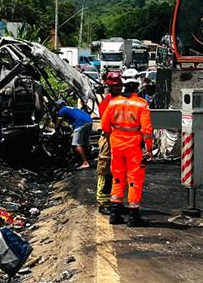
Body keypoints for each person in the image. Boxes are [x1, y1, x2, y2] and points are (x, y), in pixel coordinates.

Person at [102, 70, 153, 227]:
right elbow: (147, 130)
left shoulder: (113, 102)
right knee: (134, 180)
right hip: (134, 148)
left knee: (117, 178)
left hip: (116, 145)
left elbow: (104, 125)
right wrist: (149, 150)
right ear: (138, 85)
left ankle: (114, 214)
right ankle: (133, 216)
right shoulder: (141, 104)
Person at [96, 71, 123, 215]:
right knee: (105, 170)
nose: (118, 88)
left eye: (119, 86)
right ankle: (103, 202)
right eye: (115, 86)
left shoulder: (123, 101)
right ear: (109, 87)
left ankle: (115, 201)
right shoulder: (106, 102)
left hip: (120, 140)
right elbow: (107, 124)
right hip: (108, 138)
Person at [56, 100, 93, 169]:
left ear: (59, 105)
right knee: (84, 144)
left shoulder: (62, 110)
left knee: (76, 145)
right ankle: (87, 159)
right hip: (89, 122)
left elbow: (59, 122)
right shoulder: (72, 108)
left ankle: (85, 163)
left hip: (80, 124)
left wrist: (56, 128)